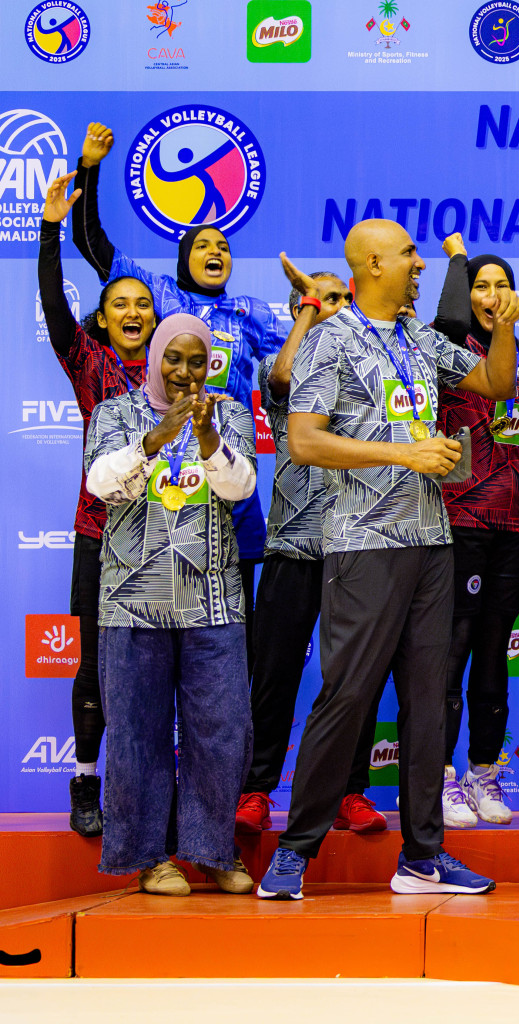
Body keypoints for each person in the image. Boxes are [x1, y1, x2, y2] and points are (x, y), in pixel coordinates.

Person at [256, 219, 519, 900]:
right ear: (372, 264)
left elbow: (497, 384)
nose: (419, 264)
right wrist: (406, 453)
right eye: (408, 254)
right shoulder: (331, 340)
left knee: (428, 703)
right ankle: (295, 851)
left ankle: (424, 856)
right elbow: (304, 440)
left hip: (432, 544)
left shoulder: (420, 338)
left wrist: (502, 328)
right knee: (346, 697)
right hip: (364, 546)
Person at [71, 122, 282, 656]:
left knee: (233, 625)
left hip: (224, 467)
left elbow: (300, 360)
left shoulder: (251, 312)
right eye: (203, 244)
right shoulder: (161, 294)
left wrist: (314, 309)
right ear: (184, 256)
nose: (216, 251)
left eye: (224, 246)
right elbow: (92, 244)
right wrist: (89, 168)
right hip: (163, 474)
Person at [85, 313, 258, 896]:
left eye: (196, 361)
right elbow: (100, 483)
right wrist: (153, 439)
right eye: (174, 359)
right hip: (133, 603)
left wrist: (207, 439)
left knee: (222, 730)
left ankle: (212, 850)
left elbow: (240, 487)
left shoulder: (228, 414)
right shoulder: (115, 413)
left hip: (212, 602)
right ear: (156, 357)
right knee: (137, 733)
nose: (185, 372)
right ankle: (149, 857)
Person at [238, 262, 387, 835]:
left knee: (352, 679)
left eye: (339, 297)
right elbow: (280, 382)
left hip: (357, 546)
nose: (328, 305)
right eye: (315, 298)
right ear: (297, 306)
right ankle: (256, 790)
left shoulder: (369, 370)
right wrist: (309, 310)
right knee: (273, 674)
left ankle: (349, 791)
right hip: (291, 549)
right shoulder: (289, 362)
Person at [37, 171, 156, 838]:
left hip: (165, 541)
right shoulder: (89, 363)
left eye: (143, 303)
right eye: (120, 304)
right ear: (105, 318)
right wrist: (50, 229)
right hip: (99, 535)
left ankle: (151, 788)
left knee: (157, 672)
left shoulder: (177, 369)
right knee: (95, 665)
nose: (133, 312)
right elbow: (56, 306)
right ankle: (86, 781)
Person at [433, 234, 519, 829]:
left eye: (501, 284)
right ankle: (438, 776)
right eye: (480, 286)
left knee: (494, 651)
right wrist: (457, 263)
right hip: (459, 519)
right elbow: (448, 320)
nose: (491, 295)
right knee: (451, 648)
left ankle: (483, 771)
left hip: (516, 521)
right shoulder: (444, 348)